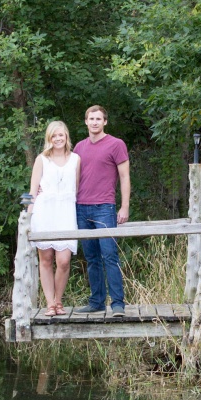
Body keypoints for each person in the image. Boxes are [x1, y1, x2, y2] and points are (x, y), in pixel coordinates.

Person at [73, 105, 130, 316]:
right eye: (91, 118)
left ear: (105, 122)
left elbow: (124, 177)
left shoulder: (116, 144)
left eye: (99, 119)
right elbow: (70, 176)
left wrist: (124, 206)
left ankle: (117, 304)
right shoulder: (79, 147)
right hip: (81, 208)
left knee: (110, 256)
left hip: (104, 207)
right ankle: (96, 302)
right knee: (91, 258)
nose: (95, 122)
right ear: (86, 121)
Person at [28, 121, 80, 316]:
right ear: (49, 139)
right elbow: (33, 191)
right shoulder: (42, 159)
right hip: (44, 212)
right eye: (54, 136)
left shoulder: (75, 159)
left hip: (66, 212)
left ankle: (59, 300)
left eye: (61, 135)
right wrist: (28, 215)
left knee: (64, 260)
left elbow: (76, 189)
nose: (58, 139)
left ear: (66, 136)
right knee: (46, 259)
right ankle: (51, 304)